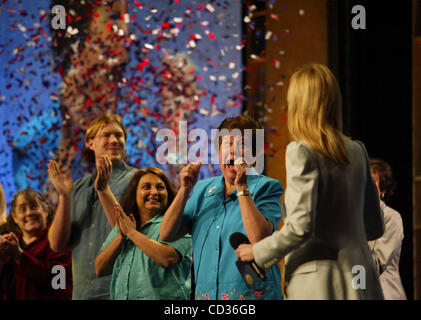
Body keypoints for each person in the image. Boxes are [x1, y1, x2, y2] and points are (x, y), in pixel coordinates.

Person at [235, 63, 384, 300]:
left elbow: (300, 227)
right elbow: (375, 226)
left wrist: (257, 251)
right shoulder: (357, 151)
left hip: (319, 282)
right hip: (362, 281)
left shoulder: (301, 151)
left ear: (299, 105)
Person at [160, 115, 284, 300]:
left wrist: (242, 187)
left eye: (242, 144)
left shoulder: (267, 187)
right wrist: (185, 189)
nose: (233, 150)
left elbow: (259, 238)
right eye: (228, 143)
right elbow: (166, 234)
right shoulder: (203, 190)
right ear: (219, 151)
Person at [48, 114, 137, 300]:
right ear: (91, 143)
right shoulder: (77, 187)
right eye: (106, 135)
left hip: (121, 292)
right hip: (83, 295)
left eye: (119, 135)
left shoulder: (139, 181)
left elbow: (133, 234)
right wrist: (64, 196)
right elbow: (56, 244)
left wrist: (104, 190)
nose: (114, 140)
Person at [94, 161, 192, 300]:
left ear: (168, 194)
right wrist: (121, 236)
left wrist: (131, 233)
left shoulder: (178, 224)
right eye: (146, 187)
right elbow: (100, 268)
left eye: (160, 187)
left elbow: (167, 258)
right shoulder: (125, 225)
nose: (154, 192)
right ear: (135, 194)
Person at [0, 163, 73, 299]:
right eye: (22, 209)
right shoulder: (10, 244)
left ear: (45, 211)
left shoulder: (58, 241)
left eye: (34, 206)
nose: (29, 213)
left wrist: (20, 255)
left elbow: (59, 284)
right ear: (15, 218)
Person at [368, 158, 406, 300]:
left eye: (371, 183)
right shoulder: (351, 217)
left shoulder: (391, 217)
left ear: (382, 189)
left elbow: (375, 264)